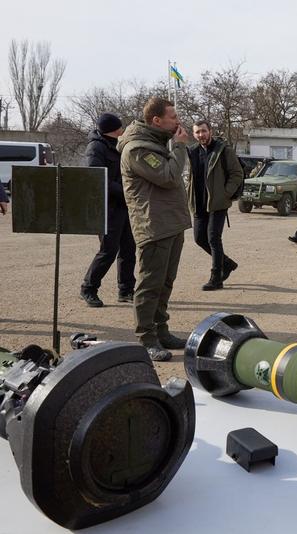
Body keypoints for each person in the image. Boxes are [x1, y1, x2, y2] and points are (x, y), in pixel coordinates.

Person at [118, 97, 192, 362]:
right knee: (150, 284)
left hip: (169, 223)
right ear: (156, 121)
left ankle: (161, 331)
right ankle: (146, 338)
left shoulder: (156, 143)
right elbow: (169, 176)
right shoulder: (137, 149)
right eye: (173, 117)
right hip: (154, 225)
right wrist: (180, 147)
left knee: (165, 283)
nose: (178, 121)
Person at [80, 113, 137, 307]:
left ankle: (126, 290)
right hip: (107, 208)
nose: (122, 130)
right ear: (114, 130)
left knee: (129, 249)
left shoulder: (118, 145)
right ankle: (88, 288)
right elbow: (97, 179)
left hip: (124, 206)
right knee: (108, 251)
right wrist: (126, 192)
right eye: (120, 128)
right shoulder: (96, 147)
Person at [187, 120, 243, 290]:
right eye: (197, 132)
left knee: (213, 238)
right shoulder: (192, 151)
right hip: (199, 203)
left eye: (203, 131)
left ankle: (216, 278)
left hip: (217, 203)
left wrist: (225, 193)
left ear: (210, 131)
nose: (201, 135)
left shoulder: (223, 150)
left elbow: (237, 173)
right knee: (199, 238)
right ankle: (227, 264)